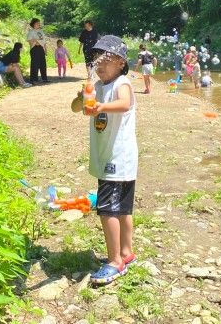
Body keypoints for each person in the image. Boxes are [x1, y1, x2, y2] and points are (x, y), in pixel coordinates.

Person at [70, 35, 137, 285]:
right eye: (96, 60)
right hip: (111, 157)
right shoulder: (97, 86)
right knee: (122, 209)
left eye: (105, 60)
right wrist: (82, 97)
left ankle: (115, 261)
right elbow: (77, 108)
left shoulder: (122, 83)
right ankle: (127, 252)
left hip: (118, 157)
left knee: (108, 210)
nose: (99, 65)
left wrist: (99, 107)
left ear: (120, 62)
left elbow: (124, 103)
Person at [27, 18, 49, 83]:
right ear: (33, 24)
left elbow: (44, 41)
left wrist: (45, 49)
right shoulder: (31, 32)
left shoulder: (41, 31)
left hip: (41, 48)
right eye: (37, 23)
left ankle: (44, 78)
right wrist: (35, 41)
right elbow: (30, 41)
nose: (38, 24)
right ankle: (34, 79)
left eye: (39, 23)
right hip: (34, 48)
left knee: (43, 63)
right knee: (35, 64)